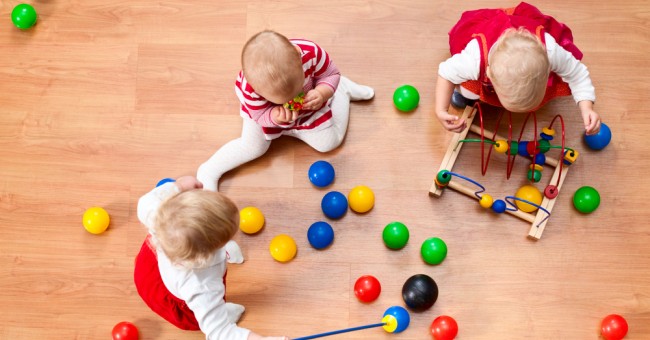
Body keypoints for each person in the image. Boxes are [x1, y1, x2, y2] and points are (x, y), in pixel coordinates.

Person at [197, 30, 374, 191]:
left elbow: (331, 74)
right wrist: (273, 116)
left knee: (329, 143)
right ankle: (210, 170)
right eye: (284, 99)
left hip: (310, 109)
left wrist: (322, 92)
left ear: (298, 55)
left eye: (297, 90)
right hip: (266, 114)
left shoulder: (311, 52)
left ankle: (343, 89)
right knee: (252, 147)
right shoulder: (251, 87)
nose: (292, 100)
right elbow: (259, 115)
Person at [134, 176, 289, 340]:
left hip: (148, 271)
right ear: (209, 253)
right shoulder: (202, 285)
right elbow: (219, 333)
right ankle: (222, 313)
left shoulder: (163, 215)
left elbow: (144, 201)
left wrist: (177, 187)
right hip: (174, 299)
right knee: (205, 316)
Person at [434, 2, 601, 135]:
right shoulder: (475, 58)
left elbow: (578, 74)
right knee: (467, 91)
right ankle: (464, 94)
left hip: (527, 32)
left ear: (547, 69)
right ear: (489, 74)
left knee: (566, 77)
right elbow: (445, 73)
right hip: (488, 32)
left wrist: (587, 108)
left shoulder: (550, 51)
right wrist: (441, 109)